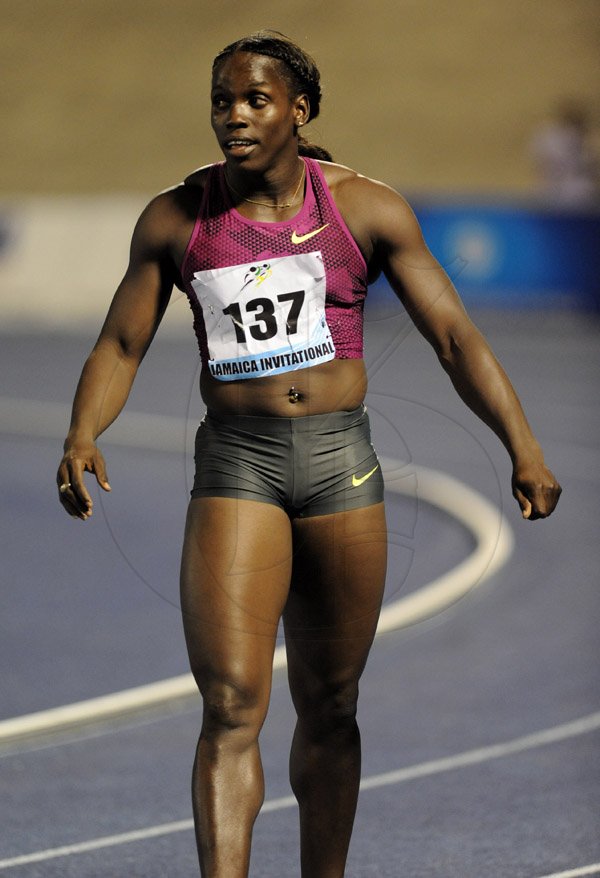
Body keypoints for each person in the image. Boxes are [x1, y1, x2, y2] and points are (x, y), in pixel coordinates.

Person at [56, 31, 561, 878]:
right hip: (238, 464)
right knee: (229, 706)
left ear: (300, 110)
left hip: (339, 465)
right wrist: (82, 431)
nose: (234, 116)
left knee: (330, 703)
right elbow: (118, 344)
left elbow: (454, 337)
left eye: (254, 100)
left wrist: (525, 446)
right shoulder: (177, 218)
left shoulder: (366, 209)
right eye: (222, 100)